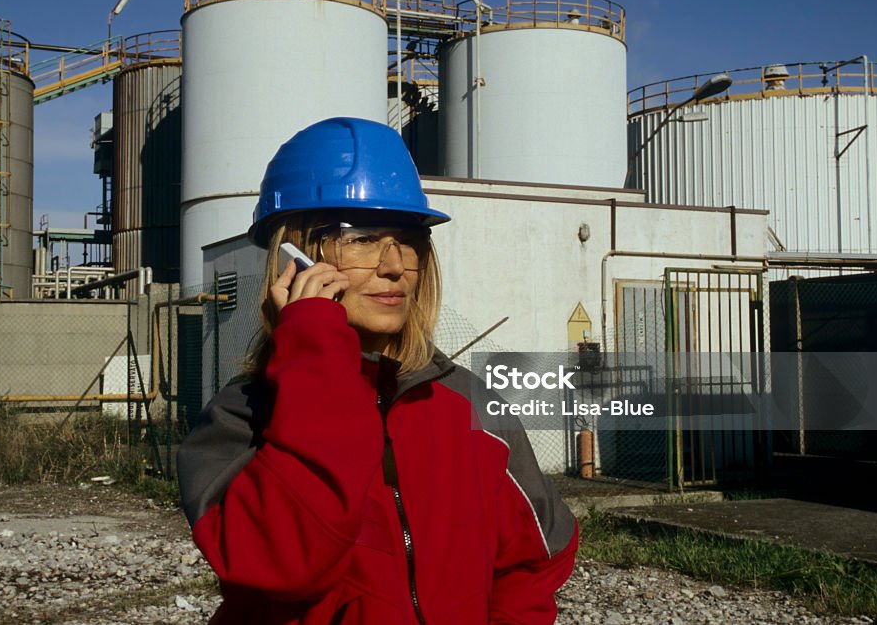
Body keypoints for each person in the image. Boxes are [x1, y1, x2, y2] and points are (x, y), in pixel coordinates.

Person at [177, 117, 578, 624]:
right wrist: (314, 349)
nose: (393, 266)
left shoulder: (473, 404)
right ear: (293, 258)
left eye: (407, 241)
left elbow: (535, 558)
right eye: (362, 239)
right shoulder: (239, 417)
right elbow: (284, 565)